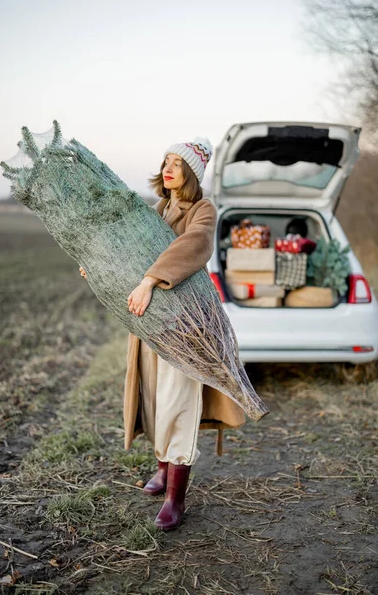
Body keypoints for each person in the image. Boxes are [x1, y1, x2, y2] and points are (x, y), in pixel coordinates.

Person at [80, 137, 247, 531]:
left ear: (192, 173)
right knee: (153, 400)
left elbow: (195, 244)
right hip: (152, 323)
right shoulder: (159, 209)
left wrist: (152, 280)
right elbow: (132, 250)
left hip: (186, 327)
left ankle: (176, 497)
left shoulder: (202, 209)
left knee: (178, 406)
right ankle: (161, 469)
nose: (169, 167)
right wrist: (98, 266)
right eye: (167, 161)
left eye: (178, 163)